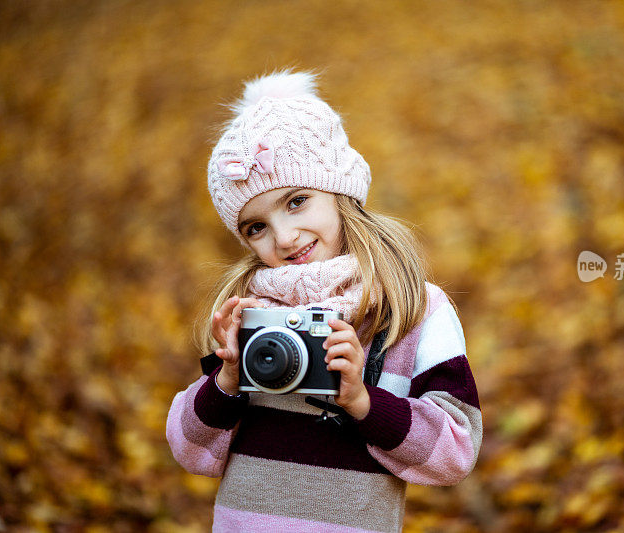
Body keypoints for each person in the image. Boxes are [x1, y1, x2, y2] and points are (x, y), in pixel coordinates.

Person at [166, 68, 482, 532]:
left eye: (296, 201)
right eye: (257, 227)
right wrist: (228, 380)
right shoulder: (250, 313)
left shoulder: (413, 308)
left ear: (339, 189)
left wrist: (363, 402)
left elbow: (455, 453)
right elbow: (191, 452)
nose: (285, 236)